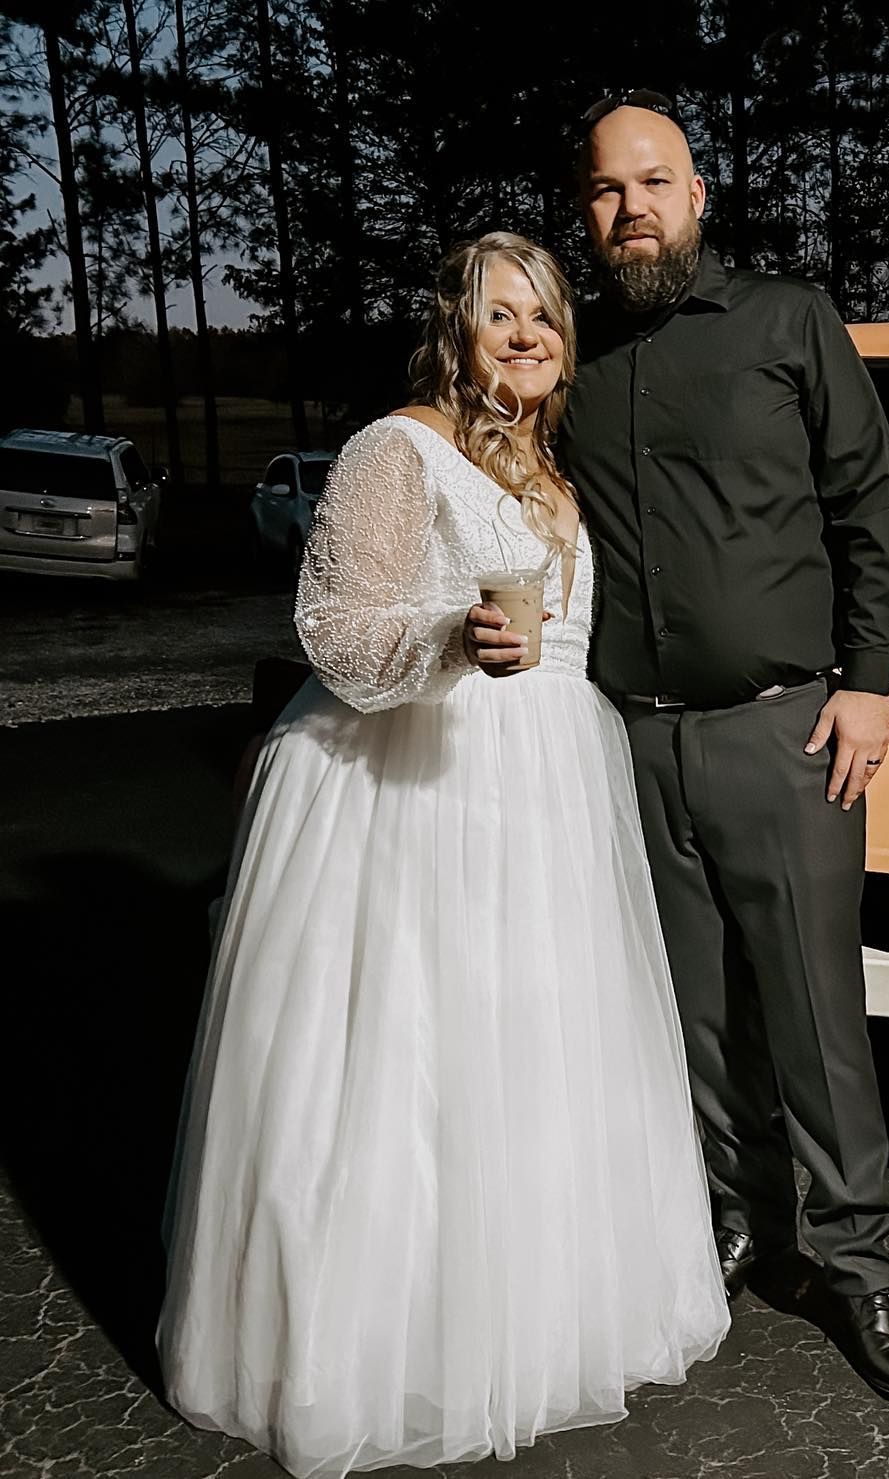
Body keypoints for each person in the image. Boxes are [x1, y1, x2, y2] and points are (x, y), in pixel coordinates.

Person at [157, 232, 729, 1479]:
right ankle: (394, 1349)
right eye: (498, 314)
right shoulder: (394, 447)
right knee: (408, 1072)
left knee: (531, 1067)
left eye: (545, 316)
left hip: (550, 800)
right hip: (415, 796)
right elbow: (335, 630)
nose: (526, 334)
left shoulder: (552, 472)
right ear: (453, 330)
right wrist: (451, 639)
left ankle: (527, 1321)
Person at [561, 91, 889, 1401]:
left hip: (787, 729)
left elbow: (869, 510)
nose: (633, 207)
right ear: (589, 209)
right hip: (633, 744)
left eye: (653, 181)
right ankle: (739, 1217)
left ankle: (859, 1260)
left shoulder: (788, 320)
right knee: (699, 1016)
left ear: (699, 192)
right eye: (609, 189)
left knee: (820, 1016)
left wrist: (871, 683)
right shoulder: (577, 361)